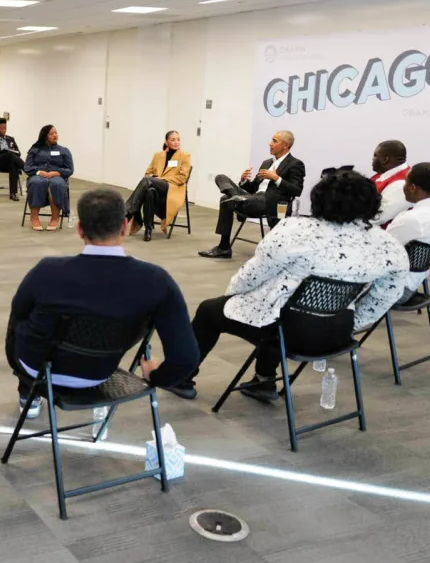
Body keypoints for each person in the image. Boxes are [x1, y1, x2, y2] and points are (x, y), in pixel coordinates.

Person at [177, 169, 410, 402]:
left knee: (211, 310)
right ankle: (263, 380)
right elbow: (386, 296)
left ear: (319, 199)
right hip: (338, 333)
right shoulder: (388, 246)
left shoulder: (295, 230)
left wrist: (230, 298)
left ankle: (180, 376)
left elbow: (254, 274)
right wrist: (354, 322)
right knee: (281, 310)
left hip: (288, 330)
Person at [7, 188, 199, 418]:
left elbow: (18, 316)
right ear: (125, 226)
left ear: (80, 230)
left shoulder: (47, 270)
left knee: (21, 320)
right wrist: (158, 377)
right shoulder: (157, 281)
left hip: (37, 369)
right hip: (98, 372)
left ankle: (27, 391)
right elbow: (186, 357)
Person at [199, 130, 305, 259]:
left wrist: (276, 178)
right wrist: (244, 181)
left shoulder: (295, 164)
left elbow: (296, 190)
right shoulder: (267, 163)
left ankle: (223, 247)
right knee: (221, 178)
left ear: (286, 145)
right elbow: (254, 187)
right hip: (253, 197)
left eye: (274, 141)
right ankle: (236, 198)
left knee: (225, 199)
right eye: (271, 140)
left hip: (269, 202)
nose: (270, 144)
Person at [385, 162, 430, 299]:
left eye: (405, 183)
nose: (403, 188)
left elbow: (380, 252)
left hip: (394, 289)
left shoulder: (412, 220)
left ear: (412, 187)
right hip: (414, 282)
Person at [124, 130, 193, 242]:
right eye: (173, 140)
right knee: (149, 191)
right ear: (166, 142)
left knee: (147, 181)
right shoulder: (158, 156)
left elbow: (182, 178)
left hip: (172, 189)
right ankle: (148, 229)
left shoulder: (185, 156)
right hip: (156, 189)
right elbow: (148, 173)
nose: (176, 142)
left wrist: (160, 179)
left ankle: (128, 213)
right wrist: (154, 178)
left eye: (178, 139)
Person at [25, 124, 73, 231]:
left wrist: (56, 173)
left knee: (56, 184)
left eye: (56, 133)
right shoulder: (35, 149)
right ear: (45, 136)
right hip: (38, 175)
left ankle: (55, 218)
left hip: (57, 176)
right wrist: (39, 172)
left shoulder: (64, 150)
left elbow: (70, 169)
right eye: (52, 133)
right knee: (36, 182)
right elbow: (27, 167)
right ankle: (34, 218)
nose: (55, 135)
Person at [371, 140, 411, 227]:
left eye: (375, 155)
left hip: (386, 237)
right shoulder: (384, 174)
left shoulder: (401, 185)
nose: (372, 159)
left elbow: (377, 217)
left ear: (385, 159)